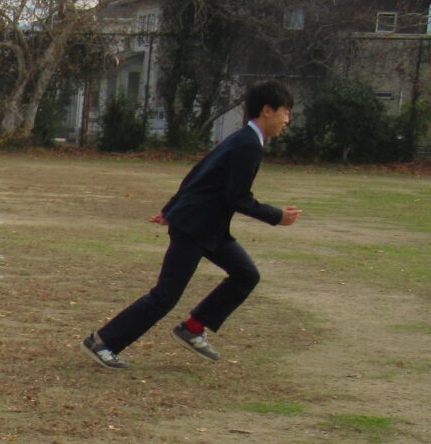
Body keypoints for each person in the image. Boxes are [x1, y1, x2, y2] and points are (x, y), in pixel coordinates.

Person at [82, 80, 302, 369]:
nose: (288, 120)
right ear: (267, 110)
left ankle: (194, 327)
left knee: (246, 274)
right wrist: (276, 216)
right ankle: (103, 342)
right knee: (165, 296)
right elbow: (237, 197)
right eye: (286, 112)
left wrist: (170, 208)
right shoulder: (247, 144)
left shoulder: (243, 140)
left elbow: (199, 172)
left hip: (208, 228)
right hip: (195, 227)